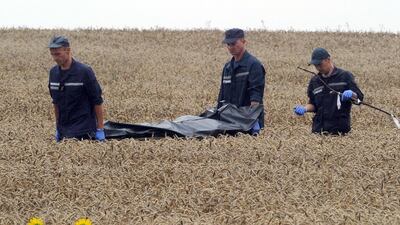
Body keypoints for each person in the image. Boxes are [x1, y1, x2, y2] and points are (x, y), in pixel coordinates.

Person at [294, 48, 364, 134]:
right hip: (318, 130)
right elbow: (313, 104)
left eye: (320, 64)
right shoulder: (315, 81)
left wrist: (352, 94)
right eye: (316, 65)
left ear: (328, 60)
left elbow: (359, 100)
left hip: (340, 131)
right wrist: (304, 108)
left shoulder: (345, 76)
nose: (318, 67)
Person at [48, 36, 105, 141]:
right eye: (52, 54)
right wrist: (58, 128)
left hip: (84, 131)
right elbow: (56, 102)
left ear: (68, 50)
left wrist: (100, 129)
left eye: (58, 54)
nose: (55, 58)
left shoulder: (84, 72)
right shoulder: (53, 73)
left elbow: (97, 101)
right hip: (63, 130)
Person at [217, 28, 266, 134]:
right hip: (228, 121)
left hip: (247, 123)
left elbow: (256, 95)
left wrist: (253, 120)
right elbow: (222, 95)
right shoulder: (227, 68)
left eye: (233, 43)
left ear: (243, 42)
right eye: (228, 44)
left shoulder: (254, 65)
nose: (230, 47)